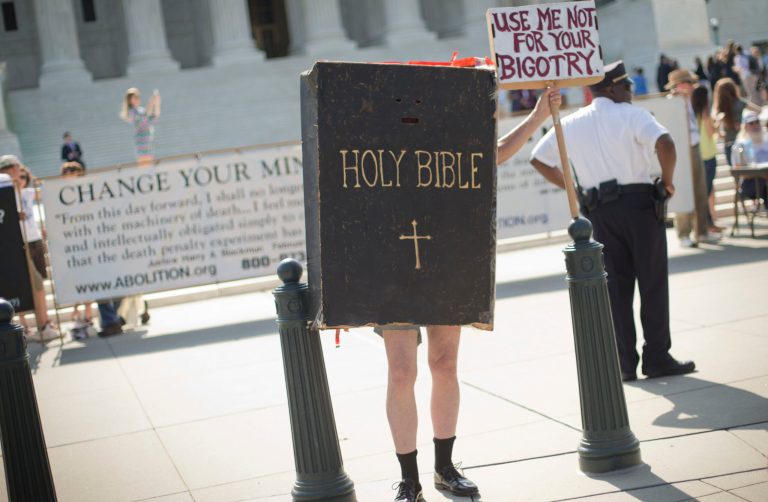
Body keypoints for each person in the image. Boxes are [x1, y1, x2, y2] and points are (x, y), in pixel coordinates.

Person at [383, 88, 561, 502]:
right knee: (400, 372)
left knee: (444, 364)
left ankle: (445, 468)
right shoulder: (378, 135)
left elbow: (491, 153)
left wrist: (537, 117)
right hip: (391, 264)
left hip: (443, 259)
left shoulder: (447, 137)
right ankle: (408, 480)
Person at [529, 61, 695, 383]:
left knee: (615, 289)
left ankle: (624, 363)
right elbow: (667, 144)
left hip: (598, 212)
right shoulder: (632, 115)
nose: (631, 91)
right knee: (652, 282)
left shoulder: (573, 122)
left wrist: (573, 188)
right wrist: (669, 181)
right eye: (628, 86)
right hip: (639, 206)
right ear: (613, 88)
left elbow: (538, 158)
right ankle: (657, 356)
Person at [0, 155, 61, 342]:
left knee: (37, 285)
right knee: (27, 286)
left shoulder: (17, 186)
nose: (20, 170)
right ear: (9, 168)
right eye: (17, 167)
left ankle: (43, 323)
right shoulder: (4, 186)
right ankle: (37, 325)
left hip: (24, 243)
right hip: (13, 246)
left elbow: (38, 194)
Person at [665, 69, 718, 247]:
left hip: (695, 147)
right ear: (680, 85)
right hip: (680, 149)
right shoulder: (671, 102)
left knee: (700, 190)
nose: (692, 86)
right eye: (689, 83)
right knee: (683, 191)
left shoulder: (691, 100)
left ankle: (701, 231)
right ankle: (684, 233)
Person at [59, 161, 96, 340]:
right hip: (71, 246)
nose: (71, 176)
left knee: (88, 278)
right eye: (68, 173)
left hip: (86, 243)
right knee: (75, 279)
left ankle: (87, 316)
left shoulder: (86, 194)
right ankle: (78, 313)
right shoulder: (59, 197)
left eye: (74, 172)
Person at [690, 86, 723, 233]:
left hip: (699, 154)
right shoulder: (705, 112)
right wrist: (718, 122)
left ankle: (707, 223)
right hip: (708, 154)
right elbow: (711, 132)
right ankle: (707, 224)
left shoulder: (692, 113)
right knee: (707, 191)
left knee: (704, 191)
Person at [712, 78, 761, 167]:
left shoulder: (719, 108)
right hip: (742, 141)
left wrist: (720, 134)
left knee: (736, 173)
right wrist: (746, 123)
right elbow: (758, 110)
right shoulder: (740, 102)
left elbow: (716, 127)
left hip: (729, 143)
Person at [732, 111, 768, 208]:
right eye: (751, 123)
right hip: (750, 183)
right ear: (745, 126)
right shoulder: (740, 145)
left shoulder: (766, 140)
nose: (755, 125)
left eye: (757, 122)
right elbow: (740, 171)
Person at [120, 87, 161, 166]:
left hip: (148, 144)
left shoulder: (141, 110)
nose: (137, 99)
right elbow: (143, 121)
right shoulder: (131, 112)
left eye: (137, 97)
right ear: (130, 101)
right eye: (134, 98)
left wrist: (157, 103)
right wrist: (151, 103)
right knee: (145, 169)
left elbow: (154, 118)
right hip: (142, 146)